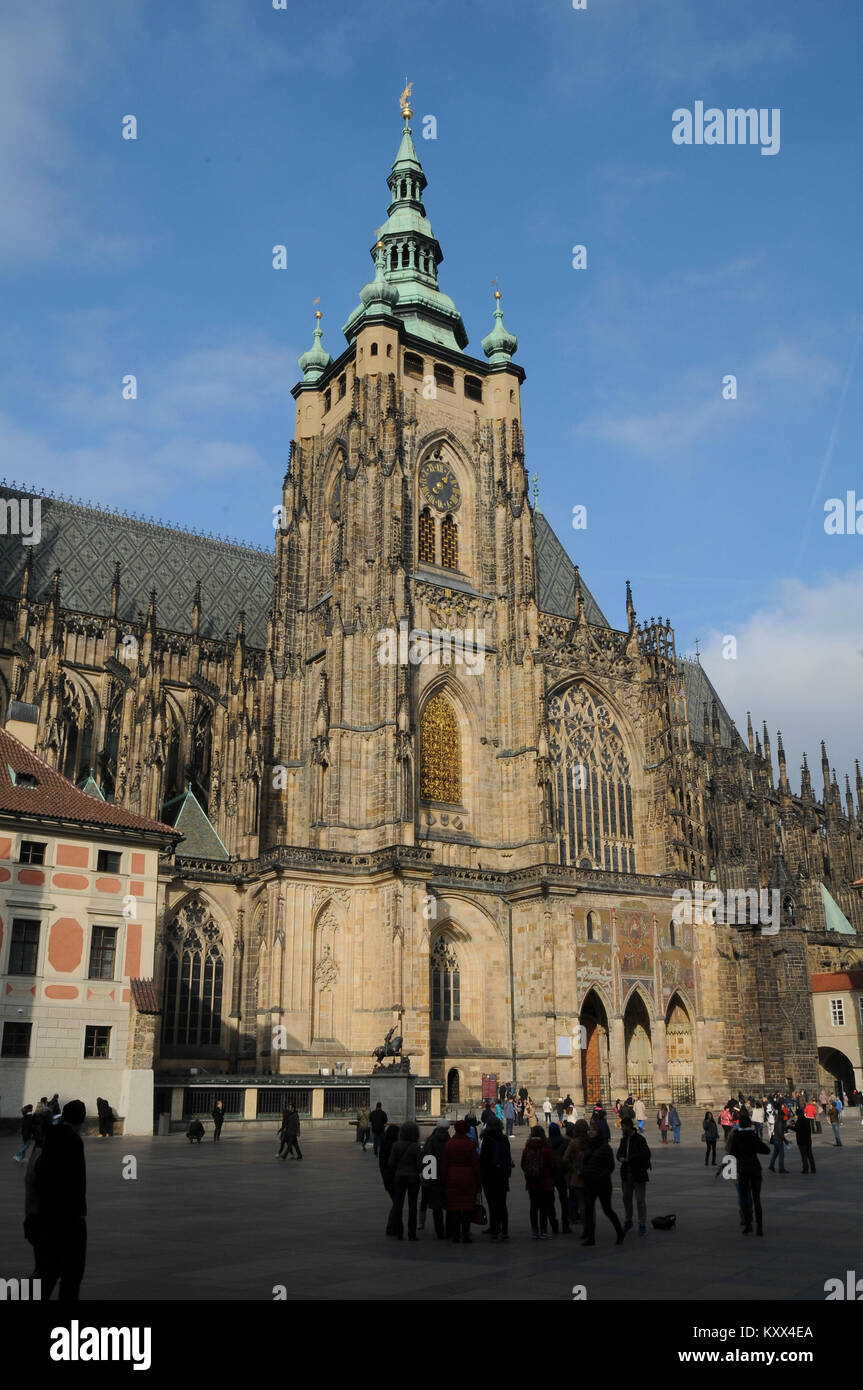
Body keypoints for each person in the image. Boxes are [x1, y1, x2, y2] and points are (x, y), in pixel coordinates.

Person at [24, 1099, 88, 1300]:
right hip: (64, 1222)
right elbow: (71, 1185)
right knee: (68, 1275)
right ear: (82, 1120)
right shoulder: (71, 1141)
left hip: (39, 1218)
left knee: (46, 1272)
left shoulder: (44, 1144)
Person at [581, 1118, 625, 1246]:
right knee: (589, 1209)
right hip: (589, 1183)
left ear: (598, 1132)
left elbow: (610, 1166)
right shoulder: (588, 1145)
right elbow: (585, 1162)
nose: (590, 1132)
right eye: (590, 1130)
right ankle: (591, 1238)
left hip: (602, 1184)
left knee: (607, 1210)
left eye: (593, 1130)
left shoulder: (605, 1147)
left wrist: (601, 1176)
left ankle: (620, 1232)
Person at [727, 1109, 770, 1236]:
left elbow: (732, 1154)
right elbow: (766, 1150)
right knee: (756, 1198)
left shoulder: (737, 1137)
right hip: (755, 1169)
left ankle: (748, 1225)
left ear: (740, 1124)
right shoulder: (753, 1136)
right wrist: (755, 1148)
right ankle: (760, 1227)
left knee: (745, 1198)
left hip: (743, 1170)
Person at [442, 1120, 481, 1244]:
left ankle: (455, 1235)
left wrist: (444, 1178)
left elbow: (444, 1164)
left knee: (454, 1208)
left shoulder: (449, 1144)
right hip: (468, 1178)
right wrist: (479, 1179)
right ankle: (465, 1234)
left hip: (452, 1177)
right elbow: (475, 1164)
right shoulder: (470, 1144)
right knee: (467, 1207)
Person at [479, 1117, 513, 1240]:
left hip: (489, 1175)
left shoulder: (487, 1139)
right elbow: (508, 1156)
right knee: (502, 1203)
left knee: (492, 1203)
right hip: (502, 1175)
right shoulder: (504, 1138)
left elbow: (483, 1159)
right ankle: (504, 1230)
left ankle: (494, 1229)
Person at [617, 1116, 651, 1236]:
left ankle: (642, 1223)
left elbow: (646, 1154)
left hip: (638, 1173)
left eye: (624, 1127)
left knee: (640, 1200)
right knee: (626, 1199)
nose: (622, 1129)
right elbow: (618, 1154)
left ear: (629, 1127)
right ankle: (628, 1220)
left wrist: (630, 1158)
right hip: (626, 1173)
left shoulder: (640, 1139)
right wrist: (620, 1158)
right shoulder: (623, 1140)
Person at [388, 1121, 423, 1240]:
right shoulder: (416, 1146)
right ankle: (412, 1233)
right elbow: (419, 1166)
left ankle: (399, 1232)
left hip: (399, 1176)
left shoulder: (396, 1145)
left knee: (398, 1205)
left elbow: (391, 1163)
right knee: (412, 1206)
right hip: (413, 1177)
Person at [521, 1124, 556, 1239]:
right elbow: (552, 1165)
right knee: (544, 1207)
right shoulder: (546, 1148)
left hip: (531, 1182)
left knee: (534, 1206)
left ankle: (534, 1230)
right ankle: (543, 1230)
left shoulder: (527, 1148)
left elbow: (523, 1165)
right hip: (545, 1181)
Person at [419, 1120, 450, 1238]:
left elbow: (425, 1159)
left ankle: (439, 1231)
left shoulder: (430, 1142)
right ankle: (450, 1230)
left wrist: (427, 1177)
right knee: (449, 1205)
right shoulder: (450, 1142)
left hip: (434, 1178)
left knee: (437, 1207)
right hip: (447, 1177)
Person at [563, 1117, 589, 1225]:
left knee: (581, 1202)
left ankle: (585, 1226)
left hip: (577, 1175)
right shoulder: (591, 1141)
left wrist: (573, 1168)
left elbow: (565, 1159)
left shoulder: (573, 1142)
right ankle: (590, 1224)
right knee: (589, 1202)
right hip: (589, 1175)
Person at [547, 1122, 570, 1233]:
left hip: (549, 1174)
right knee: (564, 1200)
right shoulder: (565, 1142)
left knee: (549, 1201)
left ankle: (554, 1224)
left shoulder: (546, 1143)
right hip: (562, 1173)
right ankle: (565, 1224)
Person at [795, 1105, 816, 1174]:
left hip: (801, 1141)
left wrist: (790, 1127)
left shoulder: (799, 1121)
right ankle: (813, 1168)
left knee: (804, 1156)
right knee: (810, 1155)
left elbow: (797, 1129)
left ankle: (805, 1169)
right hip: (808, 1140)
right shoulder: (806, 1120)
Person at [767, 1108, 786, 1172]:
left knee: (775, 1153)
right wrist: (785, 1140)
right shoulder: (779, 1122)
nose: (783, 1117)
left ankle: (771, 1165)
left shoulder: (777, 1121)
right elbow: (780, 1133)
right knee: (781, 1154)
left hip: (775, 1138)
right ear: (780, 1115)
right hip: (778, 1139)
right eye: (783, 1115)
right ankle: (781, 1168)